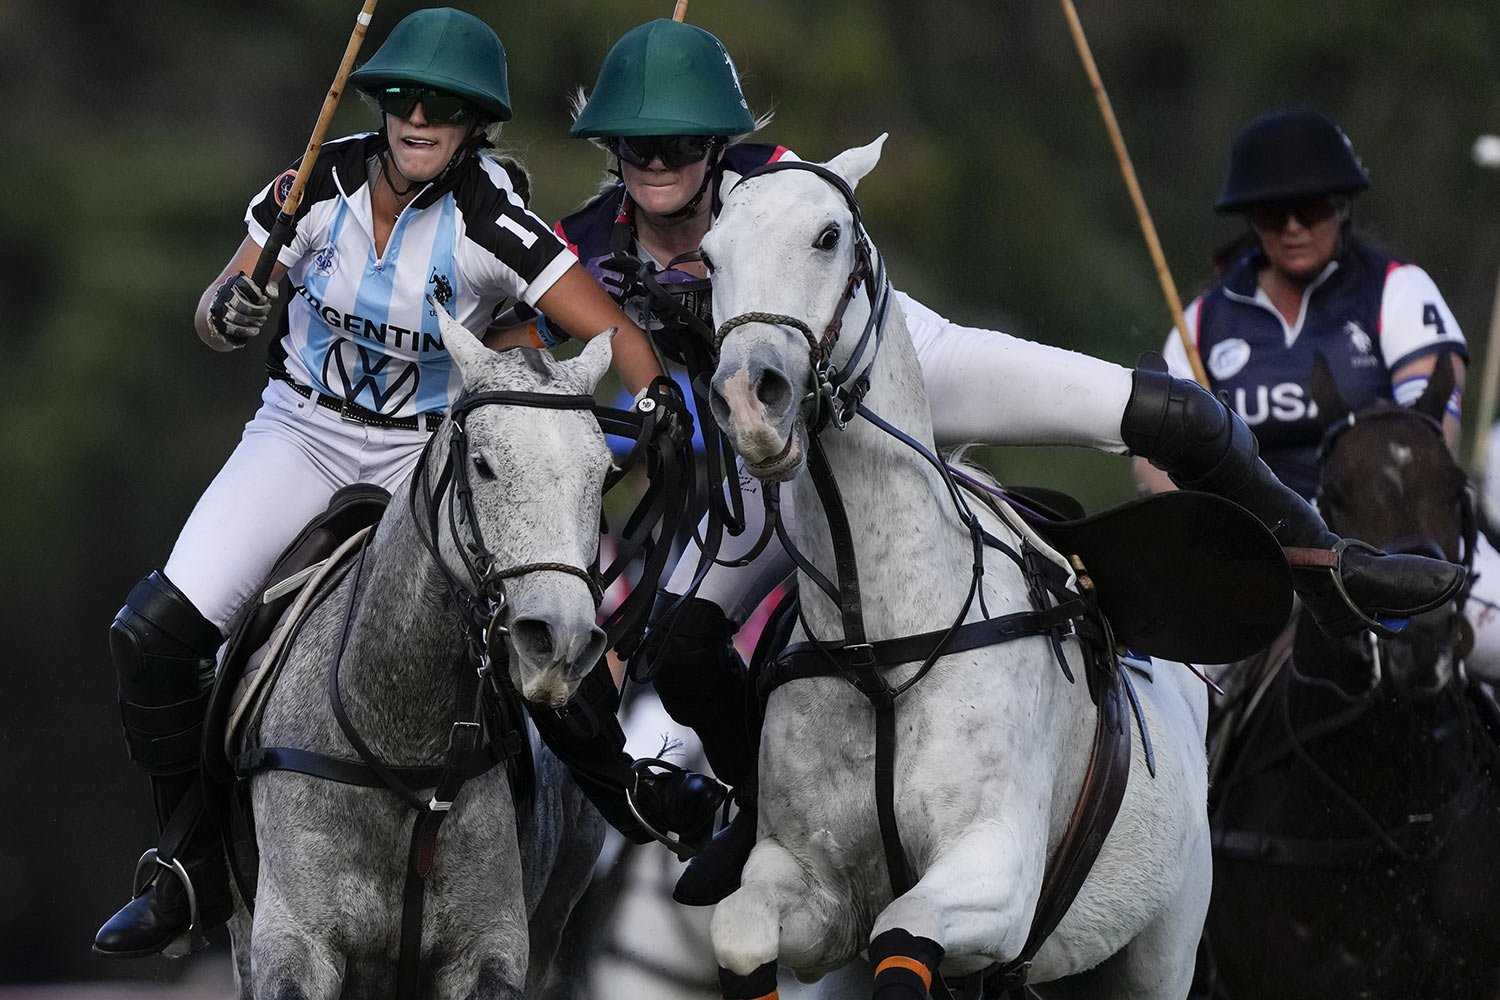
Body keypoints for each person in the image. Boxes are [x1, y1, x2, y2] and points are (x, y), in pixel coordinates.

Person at [490, 19, 1467, 907]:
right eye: (639, 143)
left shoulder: (776, 179)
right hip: (778, 462)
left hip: (907, 368)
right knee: (688, 648)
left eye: (684, 140)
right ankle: (763, 815)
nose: (660, 160)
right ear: (609, 148)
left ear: (720, 145)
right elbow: (539, 377)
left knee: (1171, 411)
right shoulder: (581, 254)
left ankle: (1336, 566)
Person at [92, 7, 725, 960]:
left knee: (538, 601)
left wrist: (663, 405)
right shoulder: (314, 183)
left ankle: (621, 782)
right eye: (403, 100)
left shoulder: (490, 219)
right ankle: (187, 865)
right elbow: (213, 317)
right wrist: (232, 306)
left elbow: (606, 333)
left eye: (446, 107)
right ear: (381, 105)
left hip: (423, 459)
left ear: (476, 126)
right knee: (151, 635)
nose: (419, 119)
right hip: (298, 437)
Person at [1134, 108, 1500, 672]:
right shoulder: (1204, 322)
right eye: (1270, 213)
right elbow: (1156, 461)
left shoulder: (1396, 290)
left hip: (1405, 539)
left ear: (1342, 205)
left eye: (1309, 209)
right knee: (1163, 683)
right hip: (1261, 555)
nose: (1292, 228)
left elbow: (1432, 435)